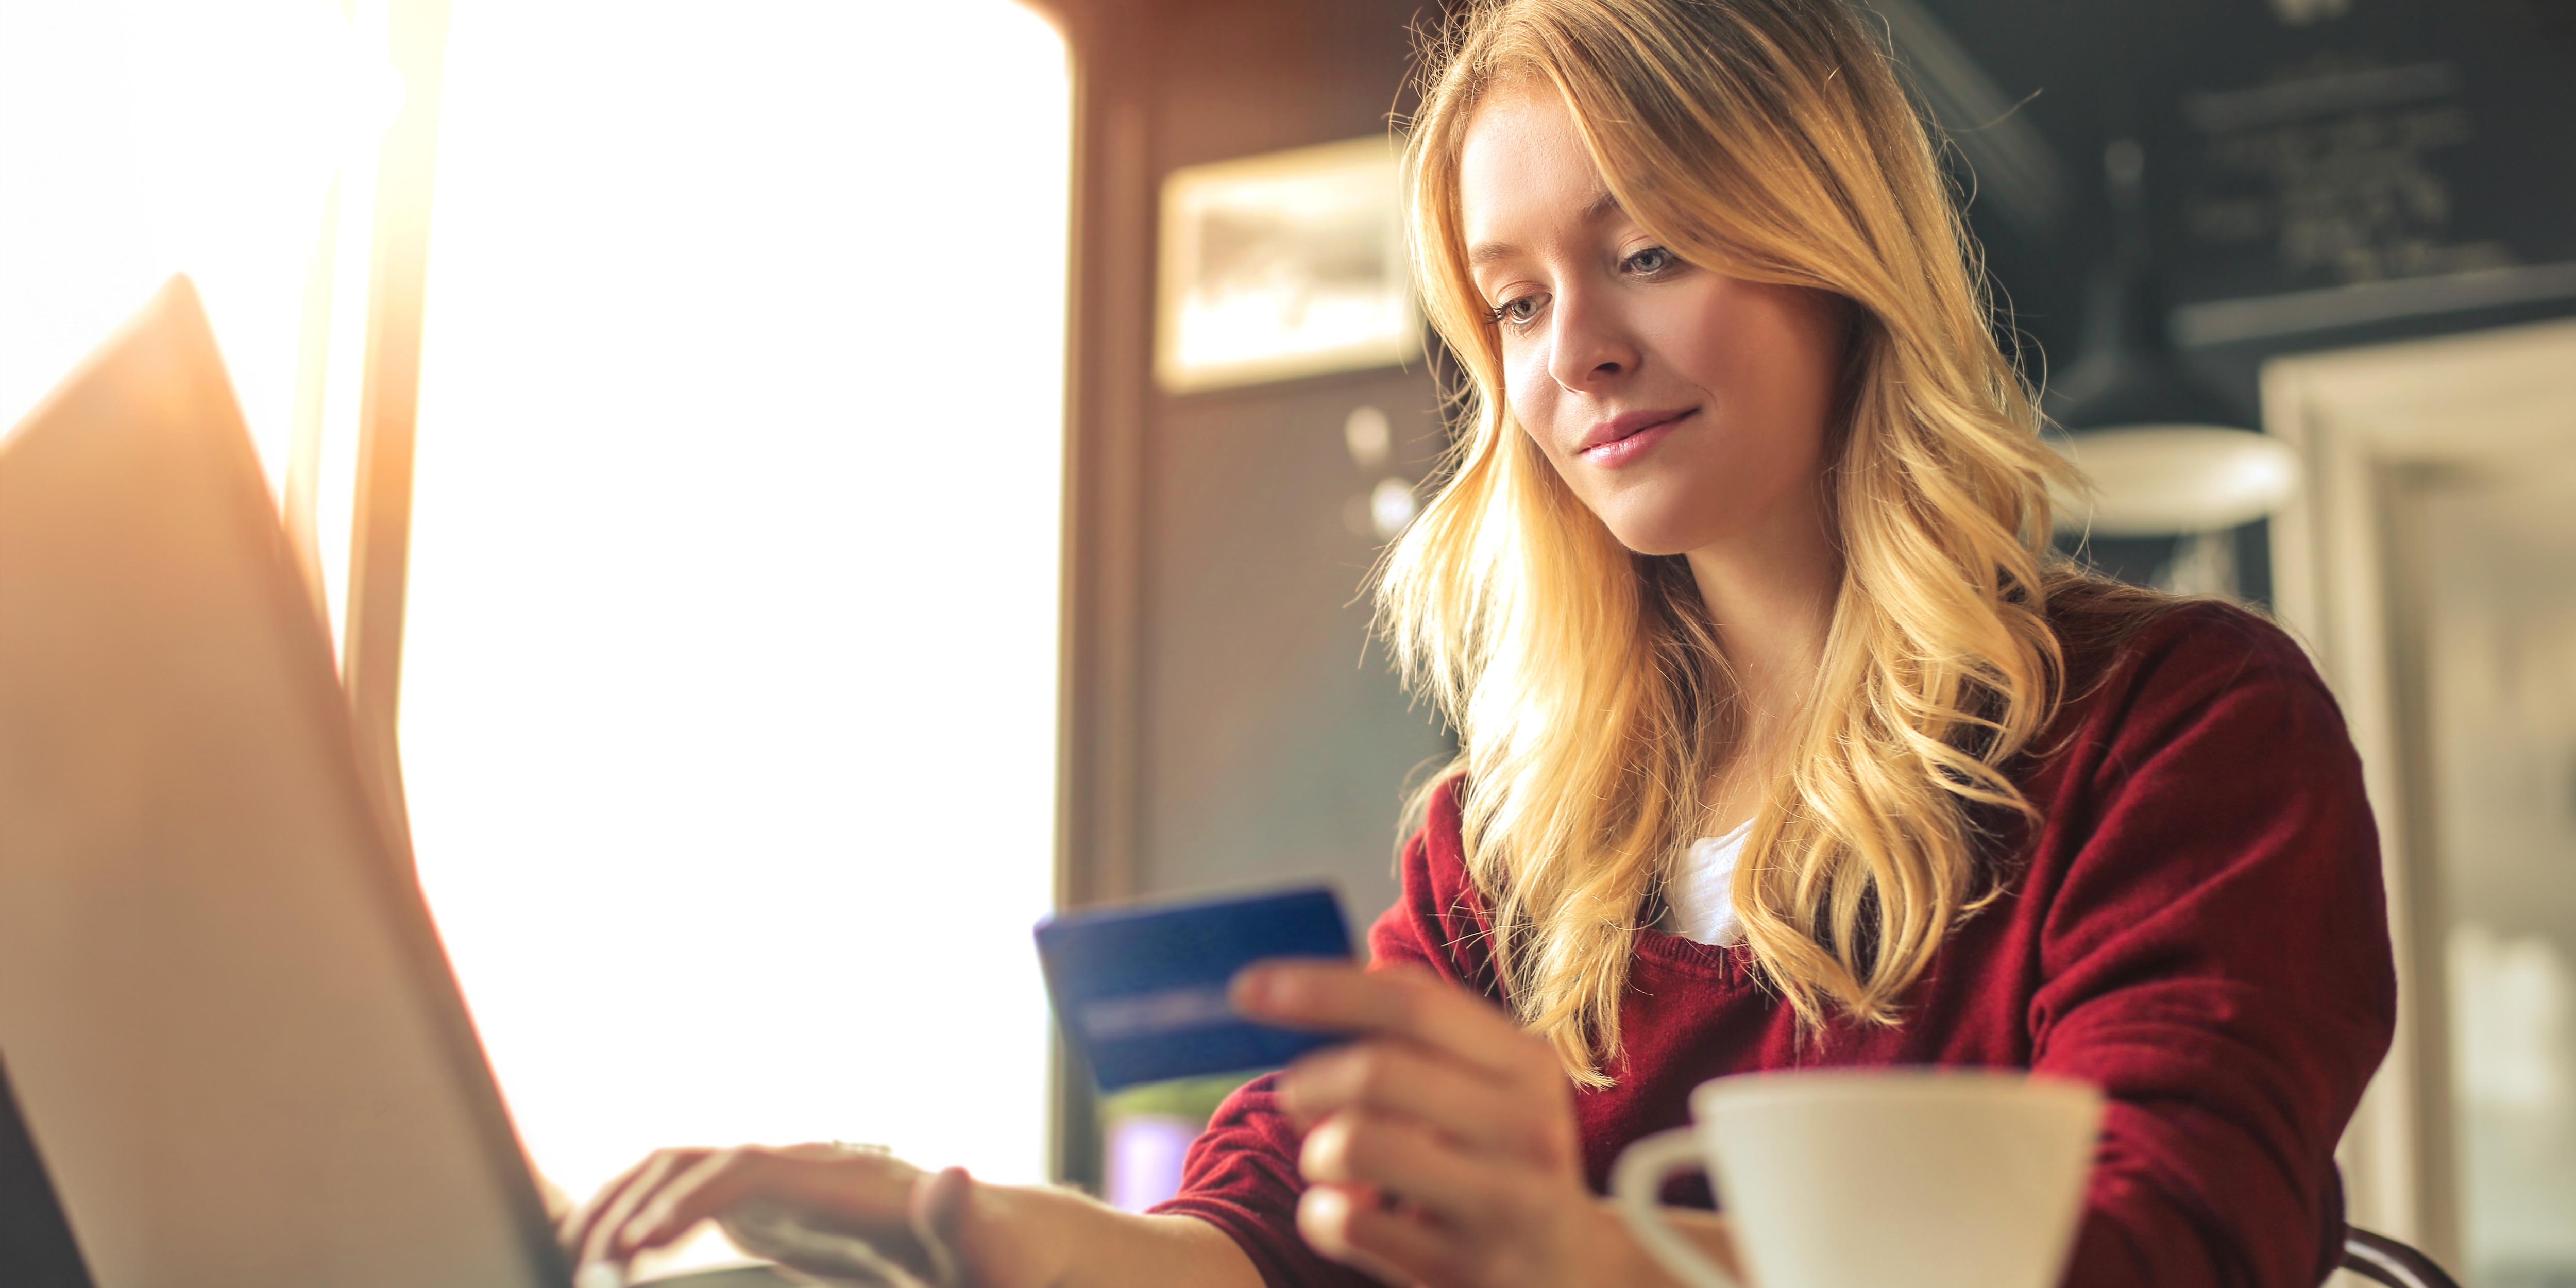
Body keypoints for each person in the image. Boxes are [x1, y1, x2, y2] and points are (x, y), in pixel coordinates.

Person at [560, 0, 2397, 1284]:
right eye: (1515, 302)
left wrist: (1594, 1258)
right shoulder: (1503, 849)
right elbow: (1268, 1244)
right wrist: (943, 1219)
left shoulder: (2185, 732)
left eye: (1652, 252)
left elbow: (2175, 1244)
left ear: (1833, 260)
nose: (1573, 353)